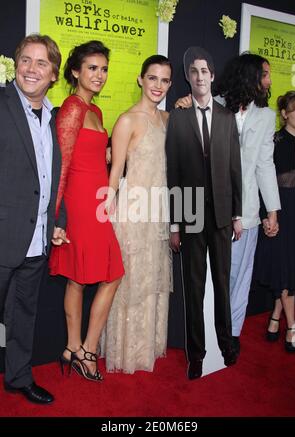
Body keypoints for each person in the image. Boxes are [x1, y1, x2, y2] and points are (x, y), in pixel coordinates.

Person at [49, 41, 124, 381]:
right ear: (75, 72)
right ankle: (85, 350)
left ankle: (74, 348)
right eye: (92, 68)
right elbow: (60, 166)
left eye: (104, 68)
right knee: (97, 275)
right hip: (79, 204)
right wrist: (56, 216)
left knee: (82, 277)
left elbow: (92, 155)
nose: (99, 75)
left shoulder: (95, 111)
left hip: (98, 202)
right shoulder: (73, 108)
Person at [165, 47, 242, 380]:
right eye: (193, 71)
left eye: (204, 71)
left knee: (223, 283)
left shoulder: (226, 118)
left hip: (223, 215)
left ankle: (226, 344)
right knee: (194, 287)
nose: (199, 76)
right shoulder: (178, 117)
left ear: (212, 75)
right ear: (189, 77)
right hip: (191, 213)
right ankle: (196, 355)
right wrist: (175, 224)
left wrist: (237, 214)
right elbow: (174, 174)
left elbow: (235, 170)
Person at [0, 34, 67, 404]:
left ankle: (18, 377)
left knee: (23, 316)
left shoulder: (53, 118)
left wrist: (58, 220)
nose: (31, 69)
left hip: (36, 238)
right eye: (26, 60)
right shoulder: (2, 103)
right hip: (2, 234)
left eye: (42, 63)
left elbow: (54, 177)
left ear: (54, 74)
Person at [100, 55, 173, 373]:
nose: (158, 85)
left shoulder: (167, 119)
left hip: (156, 210)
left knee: (150, 280)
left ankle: (146, 348)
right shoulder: (127, 120)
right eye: (153, 78)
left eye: (165, 80)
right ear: (140, 79)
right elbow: (114, 173)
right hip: (130, 212)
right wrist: (104, 213)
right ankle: (126, 352)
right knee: (129, 283)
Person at [213, 53, 281, 355]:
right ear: (249, 76)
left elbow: (265, 164)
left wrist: (272, 210)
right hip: (212, 207)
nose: (268, 80)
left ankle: (232, 331)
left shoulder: (266, 116)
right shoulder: (214, 105)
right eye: (264, 74)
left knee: (240, 275)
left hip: (248, 209)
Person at [255, 91, 295, 352]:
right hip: (279, 210)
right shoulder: (273, 141)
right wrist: (265, 214)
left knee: (290, 268)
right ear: (284, 114)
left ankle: (275, 316)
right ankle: (292, 325)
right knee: (284, 267)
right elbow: (262, 181)